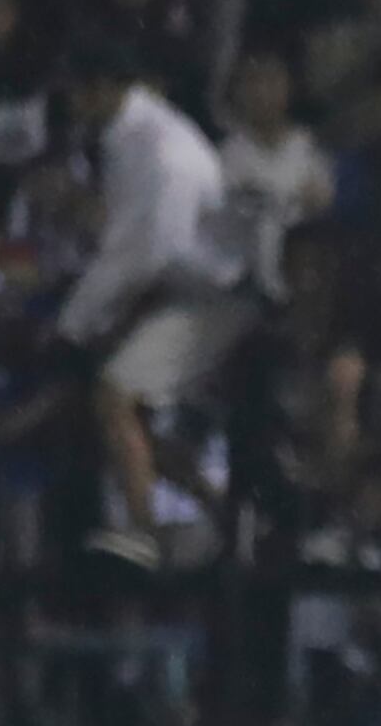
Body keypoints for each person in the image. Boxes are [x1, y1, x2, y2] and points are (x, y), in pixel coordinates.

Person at [55, 32, 243, 570]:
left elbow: (142, 253)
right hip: (171, 295)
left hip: (210, 299)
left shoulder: (159, 148)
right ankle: (219, 505)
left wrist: (72, 326)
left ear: (100, 88)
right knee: (120, 412)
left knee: (115, 394)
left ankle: (142, 533)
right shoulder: (130, 134)